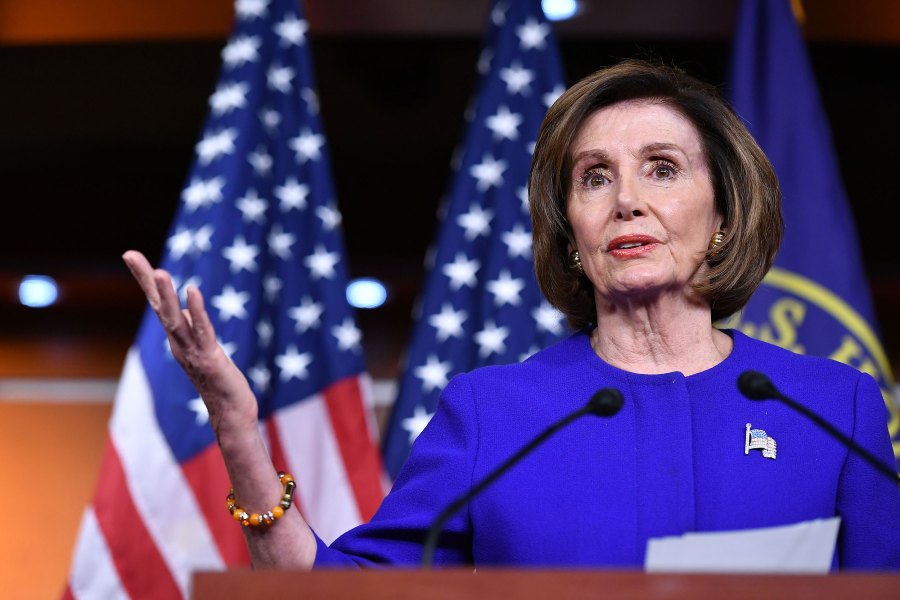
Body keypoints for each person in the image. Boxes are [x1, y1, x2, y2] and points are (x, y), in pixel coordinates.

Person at [123, 58, 900, 570]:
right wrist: (235, 425)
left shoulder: (831, 410)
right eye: (594, 178)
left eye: (661, 169)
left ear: (725, 212)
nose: (626, 198)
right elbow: (334, 591)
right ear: (571, 233)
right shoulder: (494, 415)